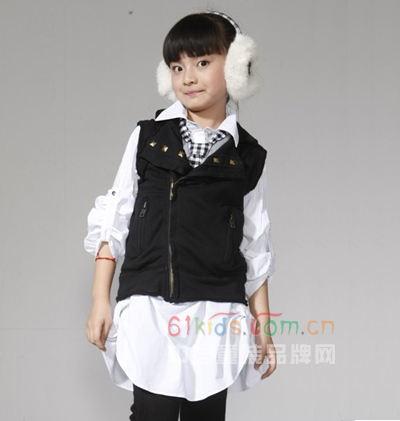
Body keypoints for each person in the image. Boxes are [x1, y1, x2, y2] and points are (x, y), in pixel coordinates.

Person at [85, 11, 277, 421]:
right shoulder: (148, 137)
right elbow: (114, 218)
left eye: (202, 62)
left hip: (216, 311)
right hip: (149, 305)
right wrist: (100, 298)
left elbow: (255, 244)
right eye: (177, 67)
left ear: (237, 65)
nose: (188, 77)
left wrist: (263, 324)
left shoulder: (248, 156)